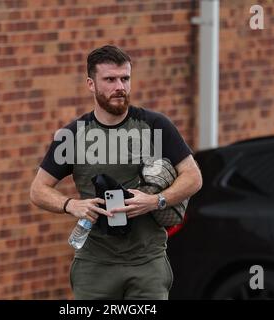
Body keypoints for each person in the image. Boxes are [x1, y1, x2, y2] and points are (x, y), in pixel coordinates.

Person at [30, 45, 202, 300]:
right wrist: (71, 205)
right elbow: (38, 190)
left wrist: (155, 200)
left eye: (125, 78)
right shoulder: (73, 135)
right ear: (91, 84)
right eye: (110, 79)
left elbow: (193, 176)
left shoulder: (155, 125)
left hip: (147, 263)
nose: (119, 86)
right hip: (94, 265)